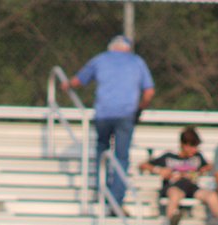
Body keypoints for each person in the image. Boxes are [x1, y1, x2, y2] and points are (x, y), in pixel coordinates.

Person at [65, 35, 155, 211]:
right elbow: (149, 92)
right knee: (121, 157)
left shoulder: (100, 60)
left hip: (104, 114)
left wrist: (66, 84)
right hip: (125, 115)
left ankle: (102, 192)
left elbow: (77, 81)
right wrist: (139, 110)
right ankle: (116, 200)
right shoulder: (137, 62)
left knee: (102, 151)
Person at [139, 126, 218, 225]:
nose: (194, 150)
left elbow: (210, 165)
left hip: (191, 187)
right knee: (175, 194)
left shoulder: (197, 157)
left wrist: (199, 172)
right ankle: (171, 220)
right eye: (192, 146)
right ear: (183, 145)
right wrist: (159, 170)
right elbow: (143, 165)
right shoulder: (168, 157)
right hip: (174, 186)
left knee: (211, 195)